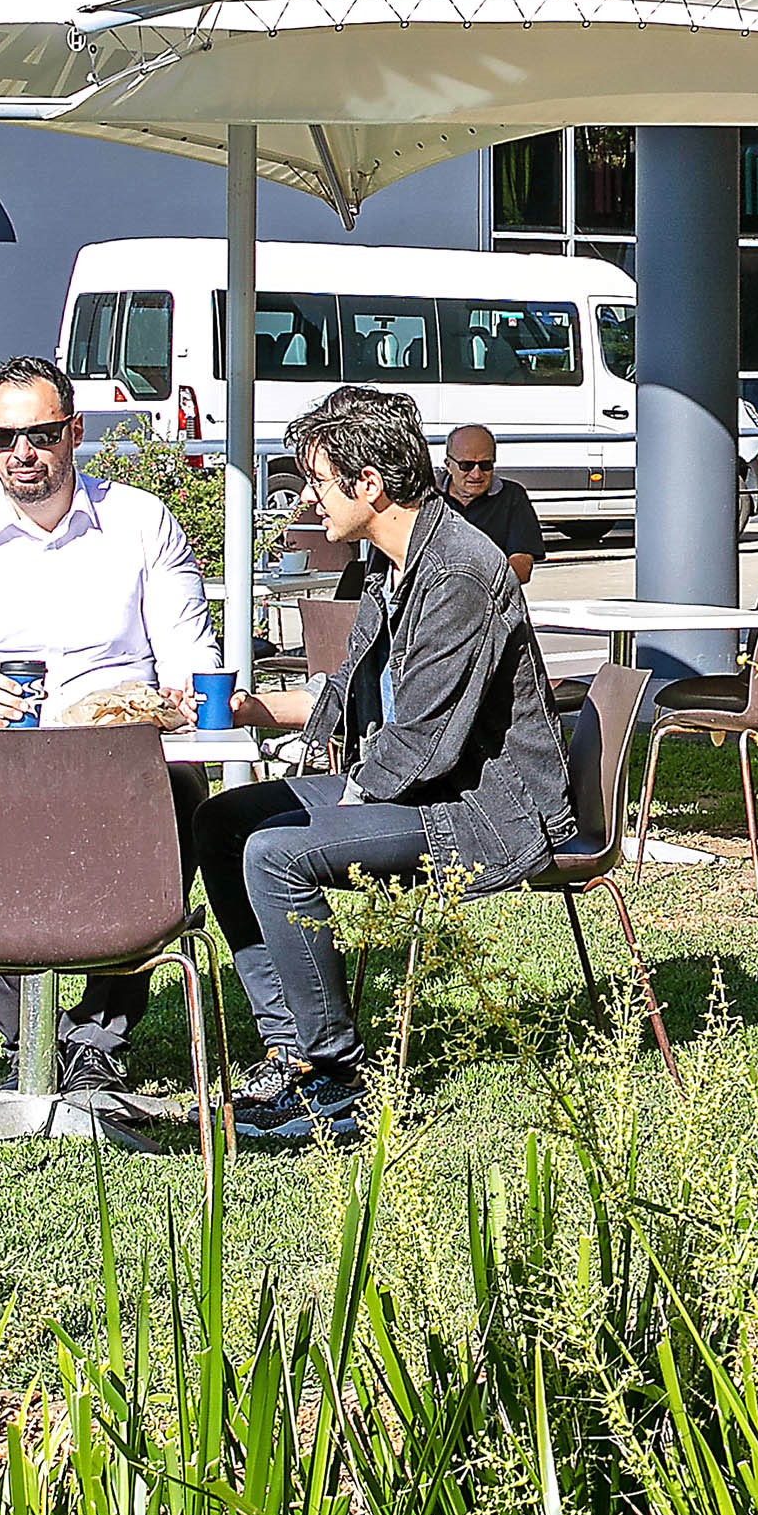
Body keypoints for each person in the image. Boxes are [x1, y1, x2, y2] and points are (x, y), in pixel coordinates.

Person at [198, 383, 570, 1149]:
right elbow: (352, 688)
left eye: (317, 480)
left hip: (482, 806)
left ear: (367, 483)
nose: (309, 497)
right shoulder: (391, 561)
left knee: (275, 852)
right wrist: (249, 709)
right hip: (422, 782)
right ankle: (291, 1051)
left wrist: (343, 802)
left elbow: (425, 739)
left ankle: (338, 1083)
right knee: (224, 822)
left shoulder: (459, 570)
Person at [0, 355, 224, 1090]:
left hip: (120, 756)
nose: (21, 453)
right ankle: (35, 1038)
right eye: (1, 438)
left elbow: (190, 651)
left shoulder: (140, 522)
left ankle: (99, 1032)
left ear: (74, 431)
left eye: (40, 434)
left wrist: (174, 696)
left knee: (182, 790)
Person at [340, 421, 545, 593]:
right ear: (448, 465)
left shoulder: (512, 496)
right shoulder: (423, 497)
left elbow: (522, 564)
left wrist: (473, 586)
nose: (476, 474)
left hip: (490, 597)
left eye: (485, 465)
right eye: (466, 465)